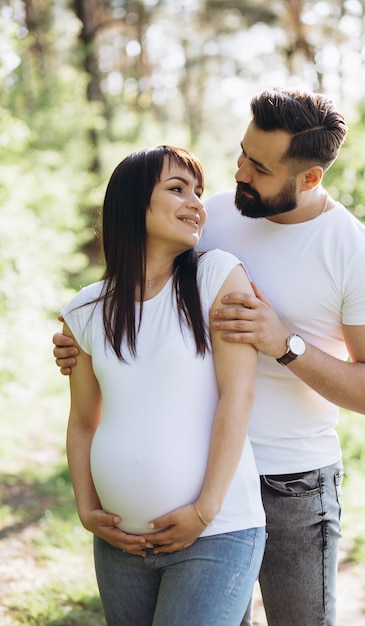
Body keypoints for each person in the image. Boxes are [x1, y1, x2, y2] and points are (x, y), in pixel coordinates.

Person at [54, 89, 365, 626]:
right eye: (242, 153)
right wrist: (86, 340)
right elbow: (144, 290)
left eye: (259, 167)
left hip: (291, 480)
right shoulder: (211, 216)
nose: (239, 172)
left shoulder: (357, 257)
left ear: (309, 178)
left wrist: (286, 346)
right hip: (195, 470)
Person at [59, 145, 266, 626]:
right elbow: (84, 422)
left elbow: (238, 395)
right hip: (120, 544)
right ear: (132, 204)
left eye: (197, 191)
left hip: (217, 532)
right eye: (177, 190)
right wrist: (87, 509)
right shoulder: (85, 311)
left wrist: (204, 511)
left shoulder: (217, 276)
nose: (197, 203)